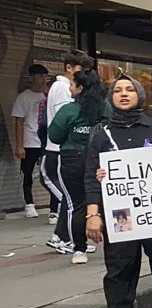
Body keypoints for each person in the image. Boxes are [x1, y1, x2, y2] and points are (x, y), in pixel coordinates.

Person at [84, 77, 152, 308]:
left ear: (140, 95)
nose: (124, 94)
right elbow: (90, 177)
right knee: (119, 268)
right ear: (110, 97)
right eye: (117, 91)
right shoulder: (101, 134)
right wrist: (93, 214)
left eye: (129, 90)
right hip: (120, 214)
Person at [46, 69, 109, 264]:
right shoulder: (105, 108)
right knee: (104, 202)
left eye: (72, 85)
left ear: (80, 88)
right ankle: (113, 244)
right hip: (101, 161)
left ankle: (79, 249)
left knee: (75, 205)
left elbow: (54, 135)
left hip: (71, 160)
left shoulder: (69, 110)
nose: (70, 88)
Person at [45, 50, 94, 249]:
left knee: (72, 197)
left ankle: (63, 236)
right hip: (61, 152)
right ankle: (66, 238)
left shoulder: (65, 87)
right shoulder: (63, 88)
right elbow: (65, 121)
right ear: (69, 68)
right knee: (72, 198)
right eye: (81, 70)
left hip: (67, 151)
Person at [12, 64, 49, 218]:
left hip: (46, 140)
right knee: (27, 173)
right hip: (30, 141)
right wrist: (19, 145)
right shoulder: (24, 97)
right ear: (31, 77)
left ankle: (56, 205)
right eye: (39, 75)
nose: (43, 79)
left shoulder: (48, 95)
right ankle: (29, 204)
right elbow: (19, 121)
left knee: (48, 173)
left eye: (44, 76)